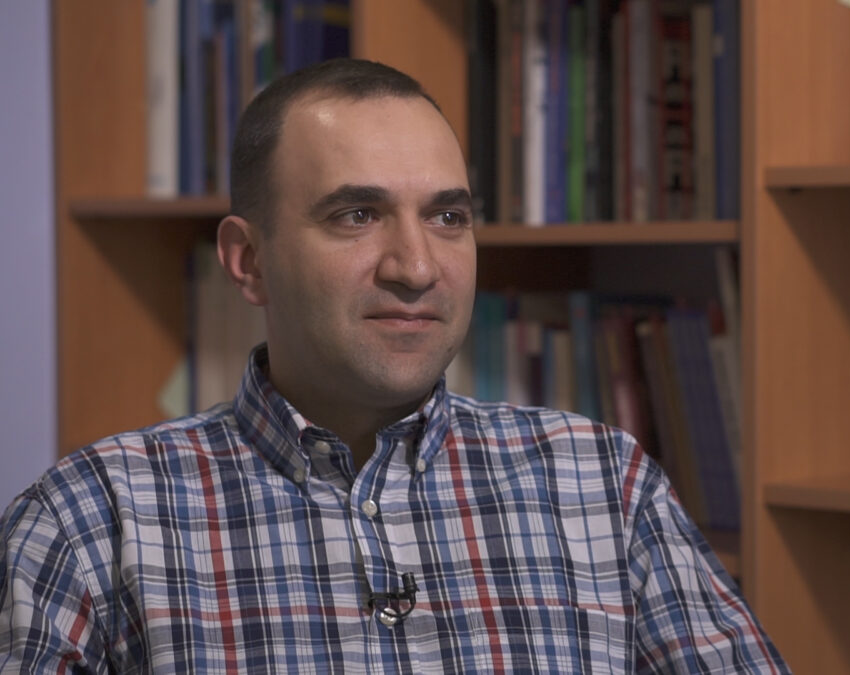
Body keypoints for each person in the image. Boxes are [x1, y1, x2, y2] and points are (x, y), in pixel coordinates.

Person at [0, 58, 788, 673]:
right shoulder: (90, 520)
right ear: (248, 260)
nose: (416, 266)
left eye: (448, 216)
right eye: (357, 214)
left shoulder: (605, 485)